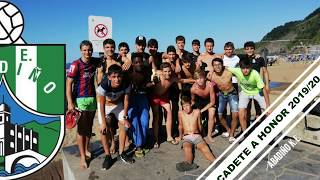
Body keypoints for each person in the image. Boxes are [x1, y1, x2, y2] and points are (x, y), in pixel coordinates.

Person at [66, 40, 100, 169]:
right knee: (81, 129)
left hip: (92, 99)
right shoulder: (75, 64)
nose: (87, 52)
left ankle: (86, 149)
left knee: (89, 128)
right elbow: (68, 84)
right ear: (81, 50)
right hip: (80, 100)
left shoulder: (94, 62)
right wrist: (70, 102)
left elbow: (109, 56)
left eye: (89, 50)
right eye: (85, 50)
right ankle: (82, 157)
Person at [96, 64, 135, 167]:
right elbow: (101, 103)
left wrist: (125, 117)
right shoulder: (104, 84)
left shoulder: (126, 83)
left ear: (122, 76)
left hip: (118, 105)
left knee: (124, 125)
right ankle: (108, 155)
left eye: (119, 76)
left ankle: (122, 153)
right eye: (113, 77)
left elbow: (126, 101)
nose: (117, 79)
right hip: (105, 106)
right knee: (103, 130)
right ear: (109, 77)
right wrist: (103, 122)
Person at [226, 58, 271, 132]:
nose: (245, 70)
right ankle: (245, 133)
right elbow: (225, 68)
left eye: (247, 68)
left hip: (257, 92)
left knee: (268, 112)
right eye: (243, 68)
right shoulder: (237, 71)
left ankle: (269, 131)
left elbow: (263, 89)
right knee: (241, 113)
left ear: (250, 67)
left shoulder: (255, 73)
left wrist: (268, 106)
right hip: (245, 93)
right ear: (240, 68)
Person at [176, 96, 215, 172]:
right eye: (183, 106)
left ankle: (214, 161)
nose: (186, 108)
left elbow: (199, 124)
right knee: (187, 148)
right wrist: (180, 137)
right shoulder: (180, 113)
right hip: (186, 137)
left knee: (204, 147)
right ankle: (189, 163)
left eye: (187, 105)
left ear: (191, 104)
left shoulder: (197, 111)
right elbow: (180, 126)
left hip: (197, 135)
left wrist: (203, 135)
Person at [150, 62, 184, 148]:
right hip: (154, 97)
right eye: (165, 71)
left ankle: (169, 136)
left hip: (164, 97)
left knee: (169, 111)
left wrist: (195, 80)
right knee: (156, 116)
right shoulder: (158, 74)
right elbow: (154, 70)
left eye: (169, 71)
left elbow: (182, 80)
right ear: (162, 71)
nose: (167, 73)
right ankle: (155, 139)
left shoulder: (172, 78)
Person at [128, 53, 155, 157]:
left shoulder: (146, 70)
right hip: (130, 99)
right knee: (135, 122)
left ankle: (141, 142)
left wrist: (152, 83)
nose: (139, 64)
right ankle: (139, 145)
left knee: (144, 121)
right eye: (136, 62)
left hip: (143, 97)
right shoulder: (128, 72)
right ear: (132, 64)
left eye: (140, 61)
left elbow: (147, 84)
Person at [239, 41, 270, 121]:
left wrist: (267, 85)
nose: (249, 50)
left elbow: (265, 72)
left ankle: (258, 123)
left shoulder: (259, 58)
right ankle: (248, 127)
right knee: (247, 108)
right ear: (245, 50)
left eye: (251, 49)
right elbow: (228, 55)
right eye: (247, 49)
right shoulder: (242, 58)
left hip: (257, 87)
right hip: (247, 87)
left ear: (254, 49)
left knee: (258, 107)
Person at [210, 58, 239, 143]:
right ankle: (228, 130)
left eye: (219, 64)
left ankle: (232, 135)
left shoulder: (229, 71)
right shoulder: (211, 76)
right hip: (222, 95)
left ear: (222, 65)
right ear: (213, 66)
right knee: (219, 115)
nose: (217, 66)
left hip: (232, 93)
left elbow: (240, 74)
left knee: (235, 114)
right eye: (215, 65)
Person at [190, 70, 216, 142]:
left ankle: (209, 135)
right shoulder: (193, 89)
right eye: (197, 78)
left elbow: (213, 102)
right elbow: (193, 100)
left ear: (205, 78)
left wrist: (202, 111)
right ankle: (202, 131)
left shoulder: (210, 85)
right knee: (196, 113)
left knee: (212, 112)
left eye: (201, 78)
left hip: (209, 100)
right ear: (195, 80)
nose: (200, 80)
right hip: (199, 101)